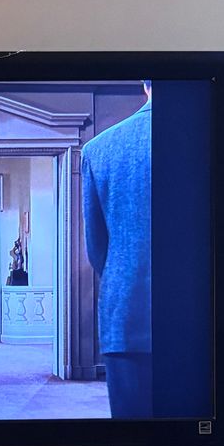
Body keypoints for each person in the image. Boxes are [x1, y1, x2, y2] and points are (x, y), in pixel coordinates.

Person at [81, 81, 152, 418]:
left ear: (144, 85)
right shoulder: (208, 140)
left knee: (132, 438)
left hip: (126, 314)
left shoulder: (99, 149)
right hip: (199, 319)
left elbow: (97, 249)